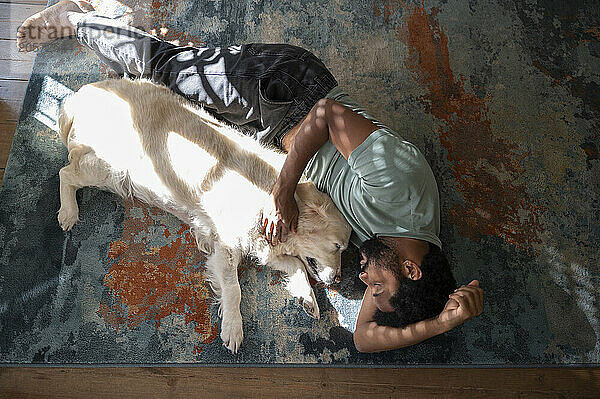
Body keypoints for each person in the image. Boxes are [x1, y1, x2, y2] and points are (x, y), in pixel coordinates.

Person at [17, 0, 484, 353]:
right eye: (376, 286)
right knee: (162, 73)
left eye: (370, 290)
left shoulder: (395, 251)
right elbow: (328, 114)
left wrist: (441, 324)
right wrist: (283, 193)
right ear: (410, 269)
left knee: (182, 93)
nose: (362, 279)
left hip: (254, 147)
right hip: (284, 95)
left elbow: (363, 339)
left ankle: (157, 43)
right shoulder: (404, 192)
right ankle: (75, 18)